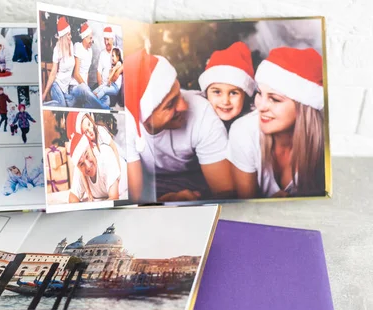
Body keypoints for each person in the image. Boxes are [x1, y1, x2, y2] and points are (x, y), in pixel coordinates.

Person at [124, 49, 234, 203]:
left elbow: (226, 193)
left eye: (179, 94)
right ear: (145, 116)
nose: (183, 106)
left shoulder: (202, 114)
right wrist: (164, 201)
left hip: (197, 185)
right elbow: (134, 200)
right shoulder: (127, 125)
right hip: (152, 187)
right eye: (170, 105)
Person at [227, 47, 325, 198]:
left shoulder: (325, 143)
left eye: (274, 99)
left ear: (304, 108)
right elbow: (246, 208)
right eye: (259, 93)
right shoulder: (243, 132)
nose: (260, 106)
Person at [198, 42, 256, 132]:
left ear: (245, 95)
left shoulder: (253, 125)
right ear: (206, 93)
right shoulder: (200, 123)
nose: (225, 101)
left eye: (233, 93)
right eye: (217, 92)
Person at [68, 131, 121, 203]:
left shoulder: (106, 155)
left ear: (92, 148)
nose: (88, 166)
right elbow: (72, 198)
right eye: (82, 164)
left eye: (87, 155)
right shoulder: (79, 169)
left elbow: (114, 197)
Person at [69, 22, 106, 109]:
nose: (91, 41)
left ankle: (88, 103)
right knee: (85, 90)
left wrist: (89, 90)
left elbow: (87, 73)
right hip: (76, 87)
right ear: (84, 38)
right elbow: (76, 74)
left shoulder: (90, 51)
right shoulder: (77, 47)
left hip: (85, 88)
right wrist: (88, 90)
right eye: (90, 38)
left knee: (106, 97)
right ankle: (104, 109)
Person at [42, 17, 75, 107]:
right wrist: (44, 94)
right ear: (64, 36)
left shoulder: (71, 45)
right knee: (62, 105)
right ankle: (43, 106)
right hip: (56, 86)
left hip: (66, 88)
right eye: (68, 35)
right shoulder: (57, 50)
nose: (70, 37)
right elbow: (53, 73)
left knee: (72, 104)